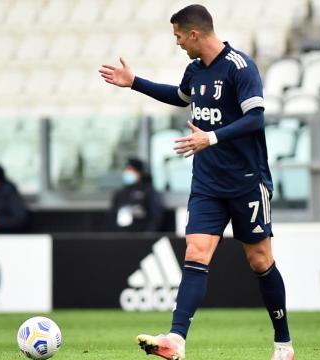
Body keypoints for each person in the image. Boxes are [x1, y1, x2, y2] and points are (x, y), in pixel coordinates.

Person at [99, 4, 294, 360]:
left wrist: (211, 138)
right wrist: (135, 83)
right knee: (195, 254)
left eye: (178, 37)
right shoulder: (195, 71)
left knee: (260, 261)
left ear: (194, 34)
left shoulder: (240, 67)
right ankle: (176, 339)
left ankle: (283, 344)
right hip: (207, 184)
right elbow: (180, 96)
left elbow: (256, 120)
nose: (177, 44)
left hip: (247, 182)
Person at [108, 157, 164, 232]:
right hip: (121, 237)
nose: (128, 172)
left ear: (139, 172)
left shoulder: (149, 192)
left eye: (131, 170)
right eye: (127, 169)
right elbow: (112, 216)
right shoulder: (120, 193)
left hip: (141, 238)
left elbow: (155, 217)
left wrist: (147, 237)